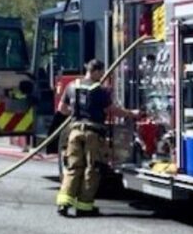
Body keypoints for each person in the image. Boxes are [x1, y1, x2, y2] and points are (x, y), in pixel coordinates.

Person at [55, 59, 140, 218]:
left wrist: (76, 113)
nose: (102, 76)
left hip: (74, 132)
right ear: (95, 71)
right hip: (92, 133)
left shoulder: (72, 86)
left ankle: (63, 203)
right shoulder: (99, 90)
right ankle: (84, 206)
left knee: (73, 167)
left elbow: (62, 109)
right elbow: (111, 110)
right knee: (92, 168)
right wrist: (130, 114)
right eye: (101, 72)